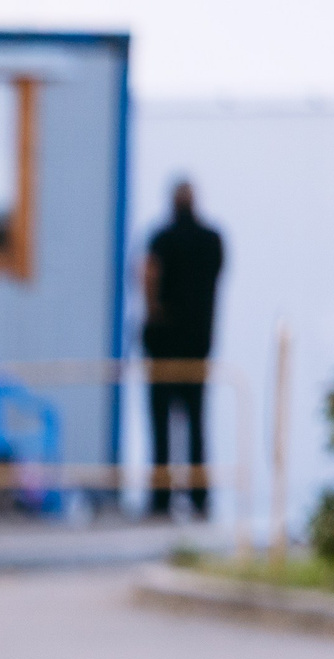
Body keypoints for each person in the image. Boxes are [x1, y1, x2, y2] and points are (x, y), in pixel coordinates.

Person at [142, 180, 223, 520]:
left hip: (164, 344)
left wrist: (154, 315)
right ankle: (199, 497)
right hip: (197, 344)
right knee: (197, 423)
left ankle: (161, 499)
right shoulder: (212, 241)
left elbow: (148, 277)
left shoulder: (161, 239)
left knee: (161, 423)